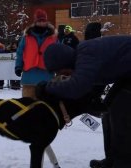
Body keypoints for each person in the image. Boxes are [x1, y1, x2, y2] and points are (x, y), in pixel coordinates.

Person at [41, 36, 131, 168]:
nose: (60, 75)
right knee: (108, 110)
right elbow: (94, 80)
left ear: (64, 61)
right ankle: (112, 159)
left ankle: (124, 163)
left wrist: (46, 88)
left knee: (121, 113)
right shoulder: (83, 57)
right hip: (127, 74)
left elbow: (77, 87)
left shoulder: (86, 53)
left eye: (58, 71)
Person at [15, 9, 60, 168]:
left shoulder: (53, 37)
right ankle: (31, 134)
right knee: (27, 111)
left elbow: (59, 54)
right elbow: (20, 53)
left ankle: (41, 136)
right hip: (28, 78)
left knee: (44, 114)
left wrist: (60, 67)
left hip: (46, 79)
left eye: (43, 20)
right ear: (35, 21)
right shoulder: (26, 37)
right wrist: (18, 66)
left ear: (46, 21)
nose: (41, 22)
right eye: (39, 20)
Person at [81, 22, 112, 168]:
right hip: (117, 82)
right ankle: (112, 158)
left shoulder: (93, 48)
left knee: (116, 118)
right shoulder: (100, 46)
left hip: (122, 82)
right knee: (109, 118)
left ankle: (118, 160)